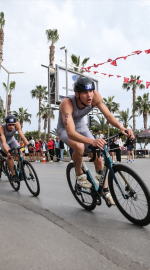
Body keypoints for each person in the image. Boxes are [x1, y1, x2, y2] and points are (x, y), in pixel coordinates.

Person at [57, 76, 134, 206]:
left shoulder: (95, 97)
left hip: (81, 125)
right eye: (85, 93)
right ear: (77, 94)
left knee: (98, 157)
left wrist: (122, 127)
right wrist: (92, 141)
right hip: (65, 129)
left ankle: (105, 190)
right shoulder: (67, 103)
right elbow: (70, 132)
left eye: (91, 91)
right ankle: (79, 173)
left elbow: (109, 116)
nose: (89, 95)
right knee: (79, 146)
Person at [0, 115, 29, 182]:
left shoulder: (17, 124)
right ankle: (13, 174)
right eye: (9, 125)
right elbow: (3, 142)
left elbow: (22, 137)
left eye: (13, 124)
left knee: (20, 152)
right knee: (9, 156)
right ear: (6, 124)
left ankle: (20, 168)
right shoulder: (1, 128)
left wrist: (29, 145)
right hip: (4, 141)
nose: (12, 126)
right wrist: (7, 152)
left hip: (12, 140)